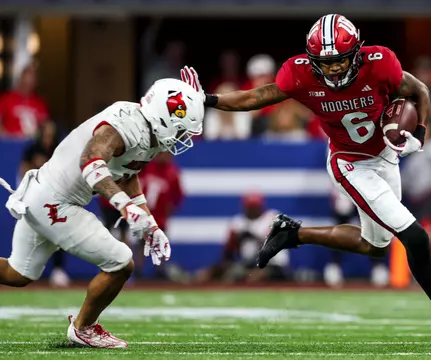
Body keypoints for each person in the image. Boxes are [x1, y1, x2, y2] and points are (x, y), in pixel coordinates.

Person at [180, 14, 431, 350]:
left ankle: (292, 233)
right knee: (415, 236)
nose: (335, 70)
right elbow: (257, 97)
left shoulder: (380, 63)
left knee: (376, 246)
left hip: (385, 157)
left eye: (340, 61)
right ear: (313, 61)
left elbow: (420, 91)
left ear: (356, 53)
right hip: (349, 163)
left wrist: (421, 132)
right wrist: (206, 100)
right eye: (326, 64)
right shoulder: (298, 73)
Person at [0, 79, 204, 348]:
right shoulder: (125, 126)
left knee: (17, 274)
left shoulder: (147, 131)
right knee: (121, 262)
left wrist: (150, 223)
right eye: (181, 130)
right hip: (55, 201)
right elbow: (91, 160)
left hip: (43, 195)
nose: (182, 138)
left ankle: (83, 326)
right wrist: (123, 204)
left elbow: (128, 173)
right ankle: (84, 327)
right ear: (164, 118)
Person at [194, 192, 289, 284]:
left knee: (253, 277)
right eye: (249, 208)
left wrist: (250, 235)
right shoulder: (238, 223)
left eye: (254, 208)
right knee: (218, 274)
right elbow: (228, 252)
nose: (252, 211)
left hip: (272, 265)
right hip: (248, 264)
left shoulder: (271, 218)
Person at [20, 121, 71, 288]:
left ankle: (58, 270)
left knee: (59, 232)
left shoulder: (59, 151)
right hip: (34, 197)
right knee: (31, 233)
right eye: (46, 134)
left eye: (51, 135)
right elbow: (23, 172)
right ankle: (26, 269)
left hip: (54, 198)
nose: (48, 138)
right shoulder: (32, 150)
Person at [137, 151, 184, 279]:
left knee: (160, 241)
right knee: (142, 242)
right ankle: (138, 270)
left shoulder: (173, 172)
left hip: (161, 215)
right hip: (145, 212)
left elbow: (179, 194)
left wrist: (171, 207)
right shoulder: (148, 167)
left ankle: (159, 270)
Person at [0, 61, 49, 138]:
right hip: (11, 143)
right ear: (21, 79)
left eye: (32, 80)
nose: (29, 84)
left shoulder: (40, 103)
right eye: (26, 81)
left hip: (32, 144)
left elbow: (46, 126)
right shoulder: (7, 99)